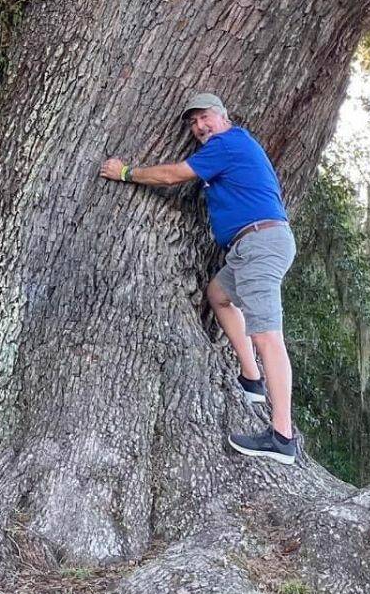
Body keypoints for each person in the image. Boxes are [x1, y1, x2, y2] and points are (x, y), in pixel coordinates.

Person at [98, 91, 299, 464]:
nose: (199, 127)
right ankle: (251, 378)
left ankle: (282, 437)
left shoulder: (228, 142)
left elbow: (175, 175)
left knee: (268, 335)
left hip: (260, 242)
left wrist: (126, 173)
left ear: (223, 116)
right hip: (247, 247)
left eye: (205, 117)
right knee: (218, 294)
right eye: (193, 123)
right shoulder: (231, 146)